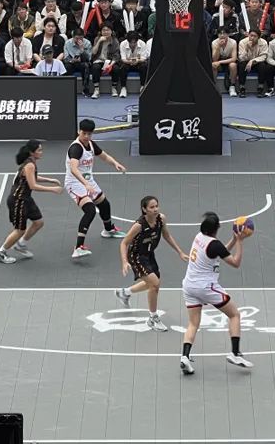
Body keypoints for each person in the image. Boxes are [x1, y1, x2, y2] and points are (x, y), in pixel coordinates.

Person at [179, 211, 252, 374]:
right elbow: (235, 263)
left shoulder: (199, 237)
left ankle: (185, 357)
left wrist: (233, 240)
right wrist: (240, 242)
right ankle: (235, 353)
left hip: (189, 286)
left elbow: (219, 251)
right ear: (217, 228)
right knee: (234, 315)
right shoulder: (215, 245)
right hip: (205, 287)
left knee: (193, 323)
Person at [114, 195, 188, 332]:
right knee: (154, 283)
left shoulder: (161, 219)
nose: (155, 209)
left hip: (149, 254)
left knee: (153, 283)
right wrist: (124, 262)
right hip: (136, 256)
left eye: (156, 206)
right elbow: (124, 243)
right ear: (144, 209)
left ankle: (125, 293)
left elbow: (166, 235)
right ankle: (153, 318)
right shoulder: (139, 225)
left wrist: (180, 252)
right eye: (152, 207)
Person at [64, 119, 127, 259]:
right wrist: (85, 184)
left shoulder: (91, 144)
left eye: (89, 134)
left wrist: (115, 163)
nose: (86, 136)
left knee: (104, 204)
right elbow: (74, 169)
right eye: (84, 133)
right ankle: (78, 248)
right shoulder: (76, 148)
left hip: (87, 181)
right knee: (90, 210)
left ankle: (108, 230)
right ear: (79, 131)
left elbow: (104, 156)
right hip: (75, 183)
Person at [0, 140, 63, 264]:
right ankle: (1, 252)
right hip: (18, 200)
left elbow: (32, 177)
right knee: (20, 230)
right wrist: (52, 189)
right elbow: (33, 185)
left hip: (26, 199)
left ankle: (20, 245)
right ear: (32, 152)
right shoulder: (30, 165)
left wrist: (50, 180)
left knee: (38, 222)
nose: (41, 152)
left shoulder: (31, 163)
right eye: (39, 150)